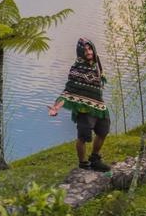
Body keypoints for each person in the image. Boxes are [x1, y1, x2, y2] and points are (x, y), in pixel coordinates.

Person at [47, 38, 111, 171]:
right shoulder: (76, 69)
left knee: (103, 131)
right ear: (80, 52)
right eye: (85, 50)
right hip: (83, 110)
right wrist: (57, 107)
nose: (88, 52)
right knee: (83, 137)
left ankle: (94, 158)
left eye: (90, 48)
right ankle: (83, 163)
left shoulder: (96, 63)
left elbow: (99, 79)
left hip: (99, 106)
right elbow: (68, 91)